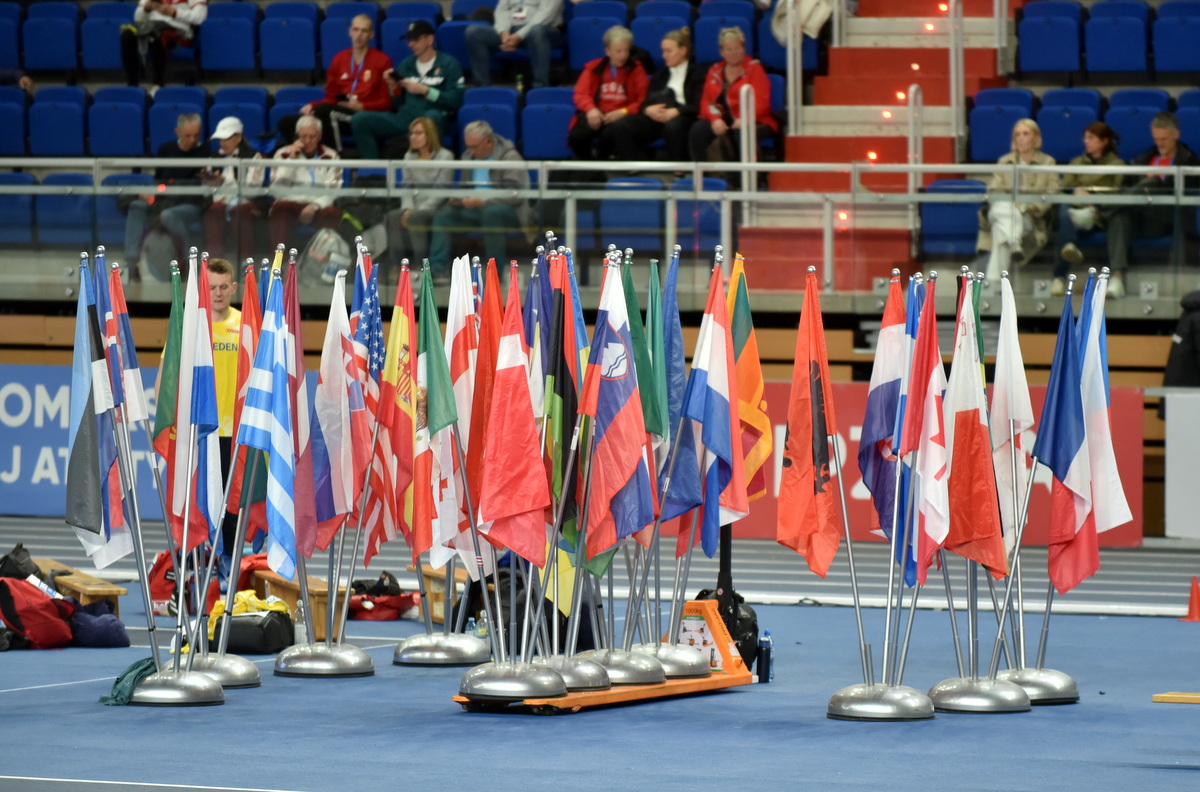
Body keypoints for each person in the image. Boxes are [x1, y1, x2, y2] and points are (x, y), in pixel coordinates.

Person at [1106, 111, 1200, 299]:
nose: (1160, 144)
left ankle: (1100, 211)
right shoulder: (1144, 158)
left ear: (1176, 135)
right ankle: (1116, 279)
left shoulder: (1189, 161)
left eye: (1164, 139)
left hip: (1168, 218)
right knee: (1119, 217)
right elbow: (1127, 186)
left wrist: (1155, 185)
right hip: (1139, 215)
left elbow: (1188, 198)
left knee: (1154, 181)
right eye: (1156, 139)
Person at [429, 120, 533, 281]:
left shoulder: (510, 157)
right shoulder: (468, 158)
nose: (471, 151)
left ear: (488, 142)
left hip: (507, 211)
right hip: (474, 209)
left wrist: (483, 202)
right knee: (443, 217)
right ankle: (437, 271)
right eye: (468, 147)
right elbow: (465, 188)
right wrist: (459, 199)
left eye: (474, 147)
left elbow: (514, 195)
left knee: (491, 214)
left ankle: (494, 275)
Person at [349, 20, 466, 161]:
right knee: (360, 119)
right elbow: (398, 104)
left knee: (432, 117)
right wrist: (393, 87)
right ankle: (372, 168)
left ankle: (429, 165)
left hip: (433, 118)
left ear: (430, 39)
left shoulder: (449, 64)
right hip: (405, 117)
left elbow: (456, 100)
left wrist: (426, 91)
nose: (411, 44)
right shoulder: (406, 64)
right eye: (409, 40)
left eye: (416, 40)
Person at [276, 15, 394, 148]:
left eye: (364, 31)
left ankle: (335, 156)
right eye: (356, 29)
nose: (359, 35)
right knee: (286, 122)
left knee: (325, 111)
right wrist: (312, 105)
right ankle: (310, 154)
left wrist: (362, 106)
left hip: (362, 116)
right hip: (335, 113)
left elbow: (386, 103)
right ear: (350, 31)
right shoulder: (339, 59)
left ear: (371, 35)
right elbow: (331, 98)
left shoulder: (382, 60)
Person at [124, 112, 210, 280]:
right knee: (136, 206)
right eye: (188, 135)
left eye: (196, 135)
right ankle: (131, 261)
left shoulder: (205, 151)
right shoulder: (166, 149)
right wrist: (152, 193)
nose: (193, 140)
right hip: (164, 200)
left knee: (168, 215)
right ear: (177, 132)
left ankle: (188, 261)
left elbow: (197, 188)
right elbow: (159, 181)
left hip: (191, 204)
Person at [976, 118, 1060, 283]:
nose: (1020, 138)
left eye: (1025, 134)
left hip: (1028, 216)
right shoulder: (1004, 161)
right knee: (1004, 210)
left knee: (1001, 230)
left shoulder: (1048, 162)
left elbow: (1053, 191)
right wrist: (1011, 203)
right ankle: (1014, 242)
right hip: (1001, 210)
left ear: (1036, 138)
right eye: (1017, 135)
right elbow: (994, 190)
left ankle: (994, 282)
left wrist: (1029, 206)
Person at [608, 28, 704, 163]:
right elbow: (645, 101)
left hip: (684, 116)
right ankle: (631, 167)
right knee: (622, 124)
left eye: (668, 51)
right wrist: (648, 110)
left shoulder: (697, 73)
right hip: (657, 117)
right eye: (663, 51)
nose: (664, 56)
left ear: (683, 50)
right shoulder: (660, 74)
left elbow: (699, 104)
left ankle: (679, 168)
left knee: (674, 126)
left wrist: (677, 111)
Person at [1052, 121, 1124, 296]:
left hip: (1100, 215)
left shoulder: (1117, 165)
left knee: (1067, 224)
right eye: (1085, 137)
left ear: (1104, 141)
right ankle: (1066, 255)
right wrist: (1075, 192)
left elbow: (1118, 193)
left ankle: (1059, 277)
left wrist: (1093, 198)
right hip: (1075, 212)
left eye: (1091, 138)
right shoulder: (1077, 163)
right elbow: (1064, 188)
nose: (1086, 141)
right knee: (1064, 210)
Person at [689, 27, 778, 165]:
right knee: (698, 130)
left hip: (756, 120)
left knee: (742, 132)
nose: (734, 53)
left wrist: (745, 118)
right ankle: (704, 174)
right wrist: (715, 120)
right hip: (724, 119)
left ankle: (750, 175)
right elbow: (706, 101)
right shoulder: (714, 70)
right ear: (722, 52)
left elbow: (761, 102)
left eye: (737, 48)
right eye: (729, 49)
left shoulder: (755, 69)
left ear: (744, 49)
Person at [568, 25, 649, 162]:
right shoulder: (593, 67)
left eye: (626, 50)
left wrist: (624, 111)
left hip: (621, 117)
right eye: (618, 51)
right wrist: (591, 109)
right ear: (607, 51)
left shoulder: (637, 69)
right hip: (597, 114)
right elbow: (580, 94)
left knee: (611, 134)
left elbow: (643, 100)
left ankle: (602, 162)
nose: (623, 56)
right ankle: (589, 166)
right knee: (577, 136)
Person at [383, 117, 454, 268]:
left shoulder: (445, 156)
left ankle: (421, 265)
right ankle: (398, 266)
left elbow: (441, 191)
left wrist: (416, 211)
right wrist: (408, 208)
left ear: (430, 135)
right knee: (391, 217)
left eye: (418, 133)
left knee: (416, 217)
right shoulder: (409, 156)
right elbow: (407, 187)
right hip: (413, 206)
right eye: (411, 133)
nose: (413, 137)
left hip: (435, 207)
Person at [268, 116, 345, 250]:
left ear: (319, 136)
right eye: (303, 136)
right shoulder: (282, 154)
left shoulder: (331, 156)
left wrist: (315, 206)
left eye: (312, 137)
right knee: (279, 209)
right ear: (297, 136)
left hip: (319, 205)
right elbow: (276, 190)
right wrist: (292, 160)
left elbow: (334, 189)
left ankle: (325, 259)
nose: (307, 141)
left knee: (332, 213)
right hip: (290, 204)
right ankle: (279, 260)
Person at [202, 117, 266, 264]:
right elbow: (208, 190)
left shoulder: (253, 156)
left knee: (239, 211)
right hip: (220, 201)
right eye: (220, 139)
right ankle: (215, 262)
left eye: (226, 139)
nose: (222, 143)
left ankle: (246, 261)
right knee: (213, 211)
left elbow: (252, 190)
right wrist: (211, 182)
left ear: (238, 138)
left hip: (246, 202)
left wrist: (224, 182)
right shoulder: (214, 157)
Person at [465, 0, 564, 90]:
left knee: (536, 31)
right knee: (474, 32)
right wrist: (504, 33)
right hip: (511, 31)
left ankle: (540, 87)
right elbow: (501, 10)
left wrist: (519, 36)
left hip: (544, 31)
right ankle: (482, 88)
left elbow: (546, 14)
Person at [120, 0, 207, 91]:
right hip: (149, 26)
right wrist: (146, 10)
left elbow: (199, 18)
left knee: (156, 35)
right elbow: (138, 18)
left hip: (177, 28)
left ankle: (158, 84)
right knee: (127, 35)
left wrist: (174, 12)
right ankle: (132, 84)